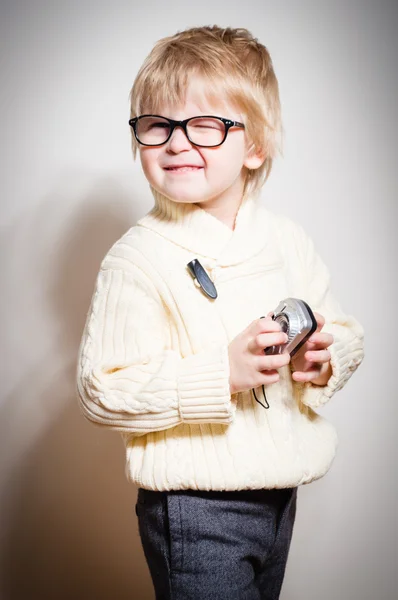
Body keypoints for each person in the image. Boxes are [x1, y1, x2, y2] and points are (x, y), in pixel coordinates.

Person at [76, 25, 364, 600]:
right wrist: (221, 375)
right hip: (194, 506)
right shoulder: (138, 257)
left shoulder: (285, 240)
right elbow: (100, 389)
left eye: (205, 125)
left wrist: (328, 357)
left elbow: (341, 328)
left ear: (254, 145)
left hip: (280, 494)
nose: (177, 143)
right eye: (157, 125)